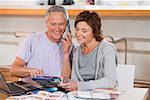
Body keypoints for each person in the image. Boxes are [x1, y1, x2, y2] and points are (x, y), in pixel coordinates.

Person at [10, 5, 72, 82]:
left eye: (61, 24)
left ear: (66, 24)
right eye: (53, 24)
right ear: (47, 23)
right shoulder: (32, 39)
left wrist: (66, 54)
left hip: (57, 92)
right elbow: (13, 70)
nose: (57, 28)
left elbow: (65, 79)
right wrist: (29, 71)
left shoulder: (69, 45)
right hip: (32, 90)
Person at [59, 11, 118, 91]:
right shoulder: (76, 50)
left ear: (94, 32)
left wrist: (79, 86)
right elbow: (72, 79)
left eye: (84, 31)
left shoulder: (107, 49)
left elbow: (110, 81)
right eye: (77, 29)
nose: (78, 34)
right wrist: (66, 53)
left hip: (101, 95)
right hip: (79, 95)